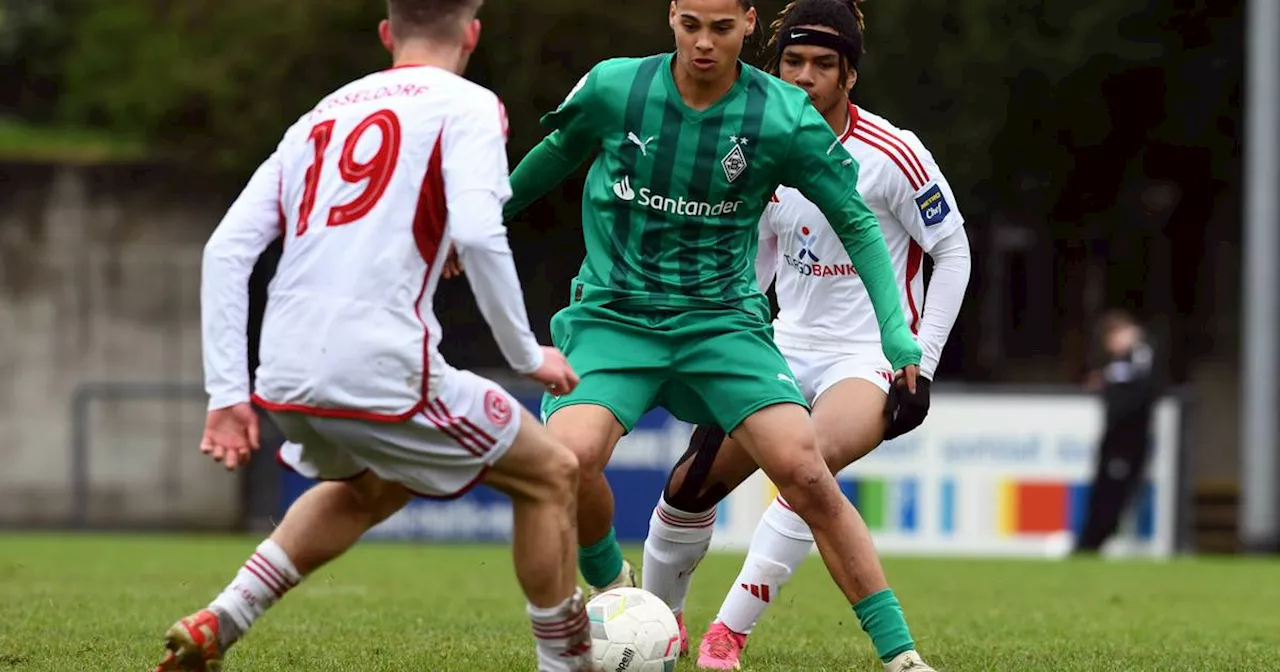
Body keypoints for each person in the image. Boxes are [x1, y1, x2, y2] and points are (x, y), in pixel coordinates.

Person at [154, 1, 594, 670]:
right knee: (551, 473)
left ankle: (221, 619)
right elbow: (480, 230)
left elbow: (225, 250)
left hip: (284, 370)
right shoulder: (468, 104)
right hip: (380, 363)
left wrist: (227, 392)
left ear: (387, 33)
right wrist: (525, 354)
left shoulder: (319, 118)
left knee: (371, 486)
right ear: (472, 32)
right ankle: (569, 665)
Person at [502, 0, 925, 668]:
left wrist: (900, 338)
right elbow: (552, 156)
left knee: (806, 472)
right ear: (671, 15)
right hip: (617, 315)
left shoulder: (779, 115)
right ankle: (615, 585)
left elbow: (856, 220)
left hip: (722, 324)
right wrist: (471, 229)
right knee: (567, 461)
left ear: (750, 23)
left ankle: (901, 657)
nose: (703, 43)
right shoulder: (616, 87)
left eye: (721, 28)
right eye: (690, 24)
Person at [637, 2, 970, 669]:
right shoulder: (753, 148)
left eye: (823, 65)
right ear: (775, 64)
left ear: (849, 76)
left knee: (804, 464)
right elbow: (754, 254)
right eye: (793, 61)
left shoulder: (894, 154)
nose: (806, 77)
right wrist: (725, 339)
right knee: (687, 488)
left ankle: (726, 638)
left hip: (868, 356)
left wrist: (921, 363)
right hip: (781, 348)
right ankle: (655, 633)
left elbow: (953, 250)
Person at [1074, 309, 1159, 553]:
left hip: (1127, 441)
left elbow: (1142, 390)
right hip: (1115, 439)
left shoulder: (1140, 355)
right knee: (1105, 491)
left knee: (1114, 492)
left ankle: (1095, 541)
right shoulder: (1120, 363)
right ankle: (1091, 540)